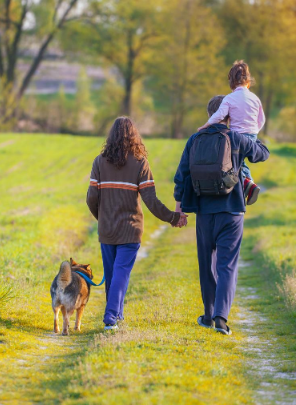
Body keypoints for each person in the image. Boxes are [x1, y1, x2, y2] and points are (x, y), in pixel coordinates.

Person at [175, 96, 269, 335]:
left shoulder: (194, 139)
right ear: (229, 114)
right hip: (232, 211)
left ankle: (207, 315)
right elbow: (262, 154)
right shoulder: (236, 138)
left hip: (204, 212)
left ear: (210, 114)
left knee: (206, 265)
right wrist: (251, 130)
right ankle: (221, 318)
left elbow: (182, 175)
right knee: (227, 265)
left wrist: (180, 207)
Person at [87, 117, 187, 331]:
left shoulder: (99, 162)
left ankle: (116, 315)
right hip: (131, 230)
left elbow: (91, 198)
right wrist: (173, 216)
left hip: (107, 230)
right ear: (134, 136)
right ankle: (112, 317)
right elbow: (151, 201)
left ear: (111, 136)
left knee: (113, 274)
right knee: (120, 273)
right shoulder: (140, 162)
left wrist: (102, 218)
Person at [197, 61, 265, 205]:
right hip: (252, 135)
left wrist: (206, 124)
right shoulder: (255, 99)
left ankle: (248, 183)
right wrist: (254, 131)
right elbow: (261, 119)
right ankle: (248, 183)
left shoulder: (229, 98)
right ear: (248, 82)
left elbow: (219, 115)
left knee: (236, 164)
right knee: (241, 161)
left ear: (232, 83)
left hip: (235, 136)